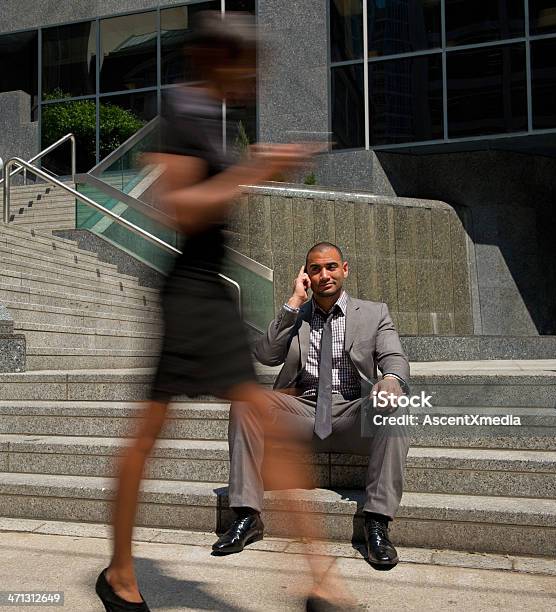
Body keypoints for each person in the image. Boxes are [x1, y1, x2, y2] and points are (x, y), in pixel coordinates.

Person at [94, 12, 311, 612]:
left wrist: (256, 168)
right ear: (220, 59)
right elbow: (178, 208)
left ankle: (320, 581)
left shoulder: (210, 114)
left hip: (208, 291)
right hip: (190, 292)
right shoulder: (181, 108)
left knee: (231, 424)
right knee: (148, 438)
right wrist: (253, 171)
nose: (253, 81)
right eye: (248, 67)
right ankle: (118, 568)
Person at [215, 241, 411, 567]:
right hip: (302, 412)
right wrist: (293, 303)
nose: (324, 275)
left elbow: (395, 359)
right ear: (307, 275)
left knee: (399, 407)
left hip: (352, 412)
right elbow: (265, 354)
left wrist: (391, 381)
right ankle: (248, 516)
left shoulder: (375, 313)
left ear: (344, 269)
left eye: (331, 267)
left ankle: (377, 522)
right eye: (315, 269)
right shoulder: (298, 317)